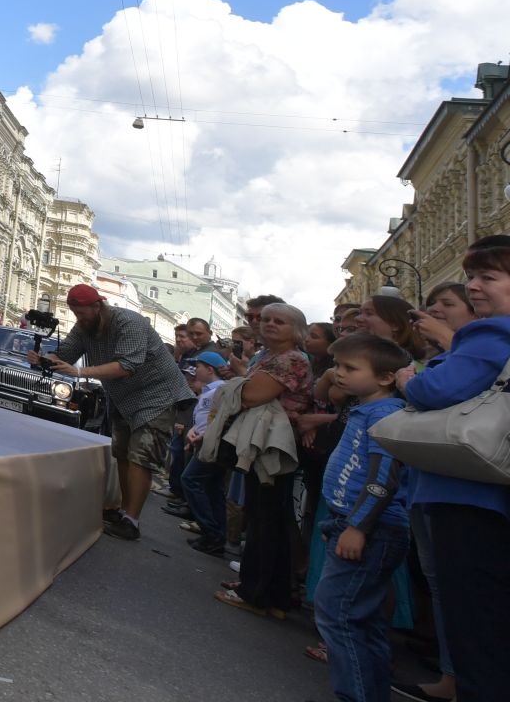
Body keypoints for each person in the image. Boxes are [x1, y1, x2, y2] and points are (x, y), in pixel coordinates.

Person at [400, 237, 510, 702]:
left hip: (467, 490)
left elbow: (437, 391)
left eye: (488, 277)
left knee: (475, 626)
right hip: (491, 494)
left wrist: (410, 379)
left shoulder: (491, 333)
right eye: (472, 277)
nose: (475, 288)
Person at [29, 283, 194, 541]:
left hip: (157, 395)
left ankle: (132, 521)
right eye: (75, 313)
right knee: (123, 453)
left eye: (82, 313)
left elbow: (128, 365)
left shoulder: (129, 322)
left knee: (141, 455)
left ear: (97, 306)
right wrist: (43, 359)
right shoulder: (85, 326)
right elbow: (65, 354)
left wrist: (81, 372)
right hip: (124, 397)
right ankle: (124, 512)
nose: (78, 318)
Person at [312, 333, 416, 702]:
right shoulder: (366, 409)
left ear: (386, 377)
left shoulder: (386, 415)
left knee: (337, 615)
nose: (339, 374)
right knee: (363, 619)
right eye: (337, 366)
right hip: (355, 521)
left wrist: (357, 527)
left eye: (350, 368)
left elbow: (383, 479)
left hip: (372, 527)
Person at [214, 302, 315, 618]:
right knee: (264, 515)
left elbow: (251, 395)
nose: (270, 324)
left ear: (296, 330)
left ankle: (255, 594)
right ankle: (273, 594)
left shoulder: (292, 359)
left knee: (264, 518)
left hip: (272, 443)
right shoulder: (269, 357)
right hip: (263, 439)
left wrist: (238, 385)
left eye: (280, 321)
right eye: (266, 319)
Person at [178, 349, 232, 555]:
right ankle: (216, 535)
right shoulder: (211, 390)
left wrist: (202, 434)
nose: (195, 370)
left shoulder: (220, 391)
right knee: (213, 488)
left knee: (190, 479)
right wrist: (193, 430)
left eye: (198, 366)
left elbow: (220, 419)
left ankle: (211, 532)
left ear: (209, 369)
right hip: (205, 441)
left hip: (212, 444)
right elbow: (204, 418)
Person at [359, 294, 430, 361]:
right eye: (360, 313)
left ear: (395, 325)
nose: (358, 318)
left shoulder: (409, 367)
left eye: (369, 313)